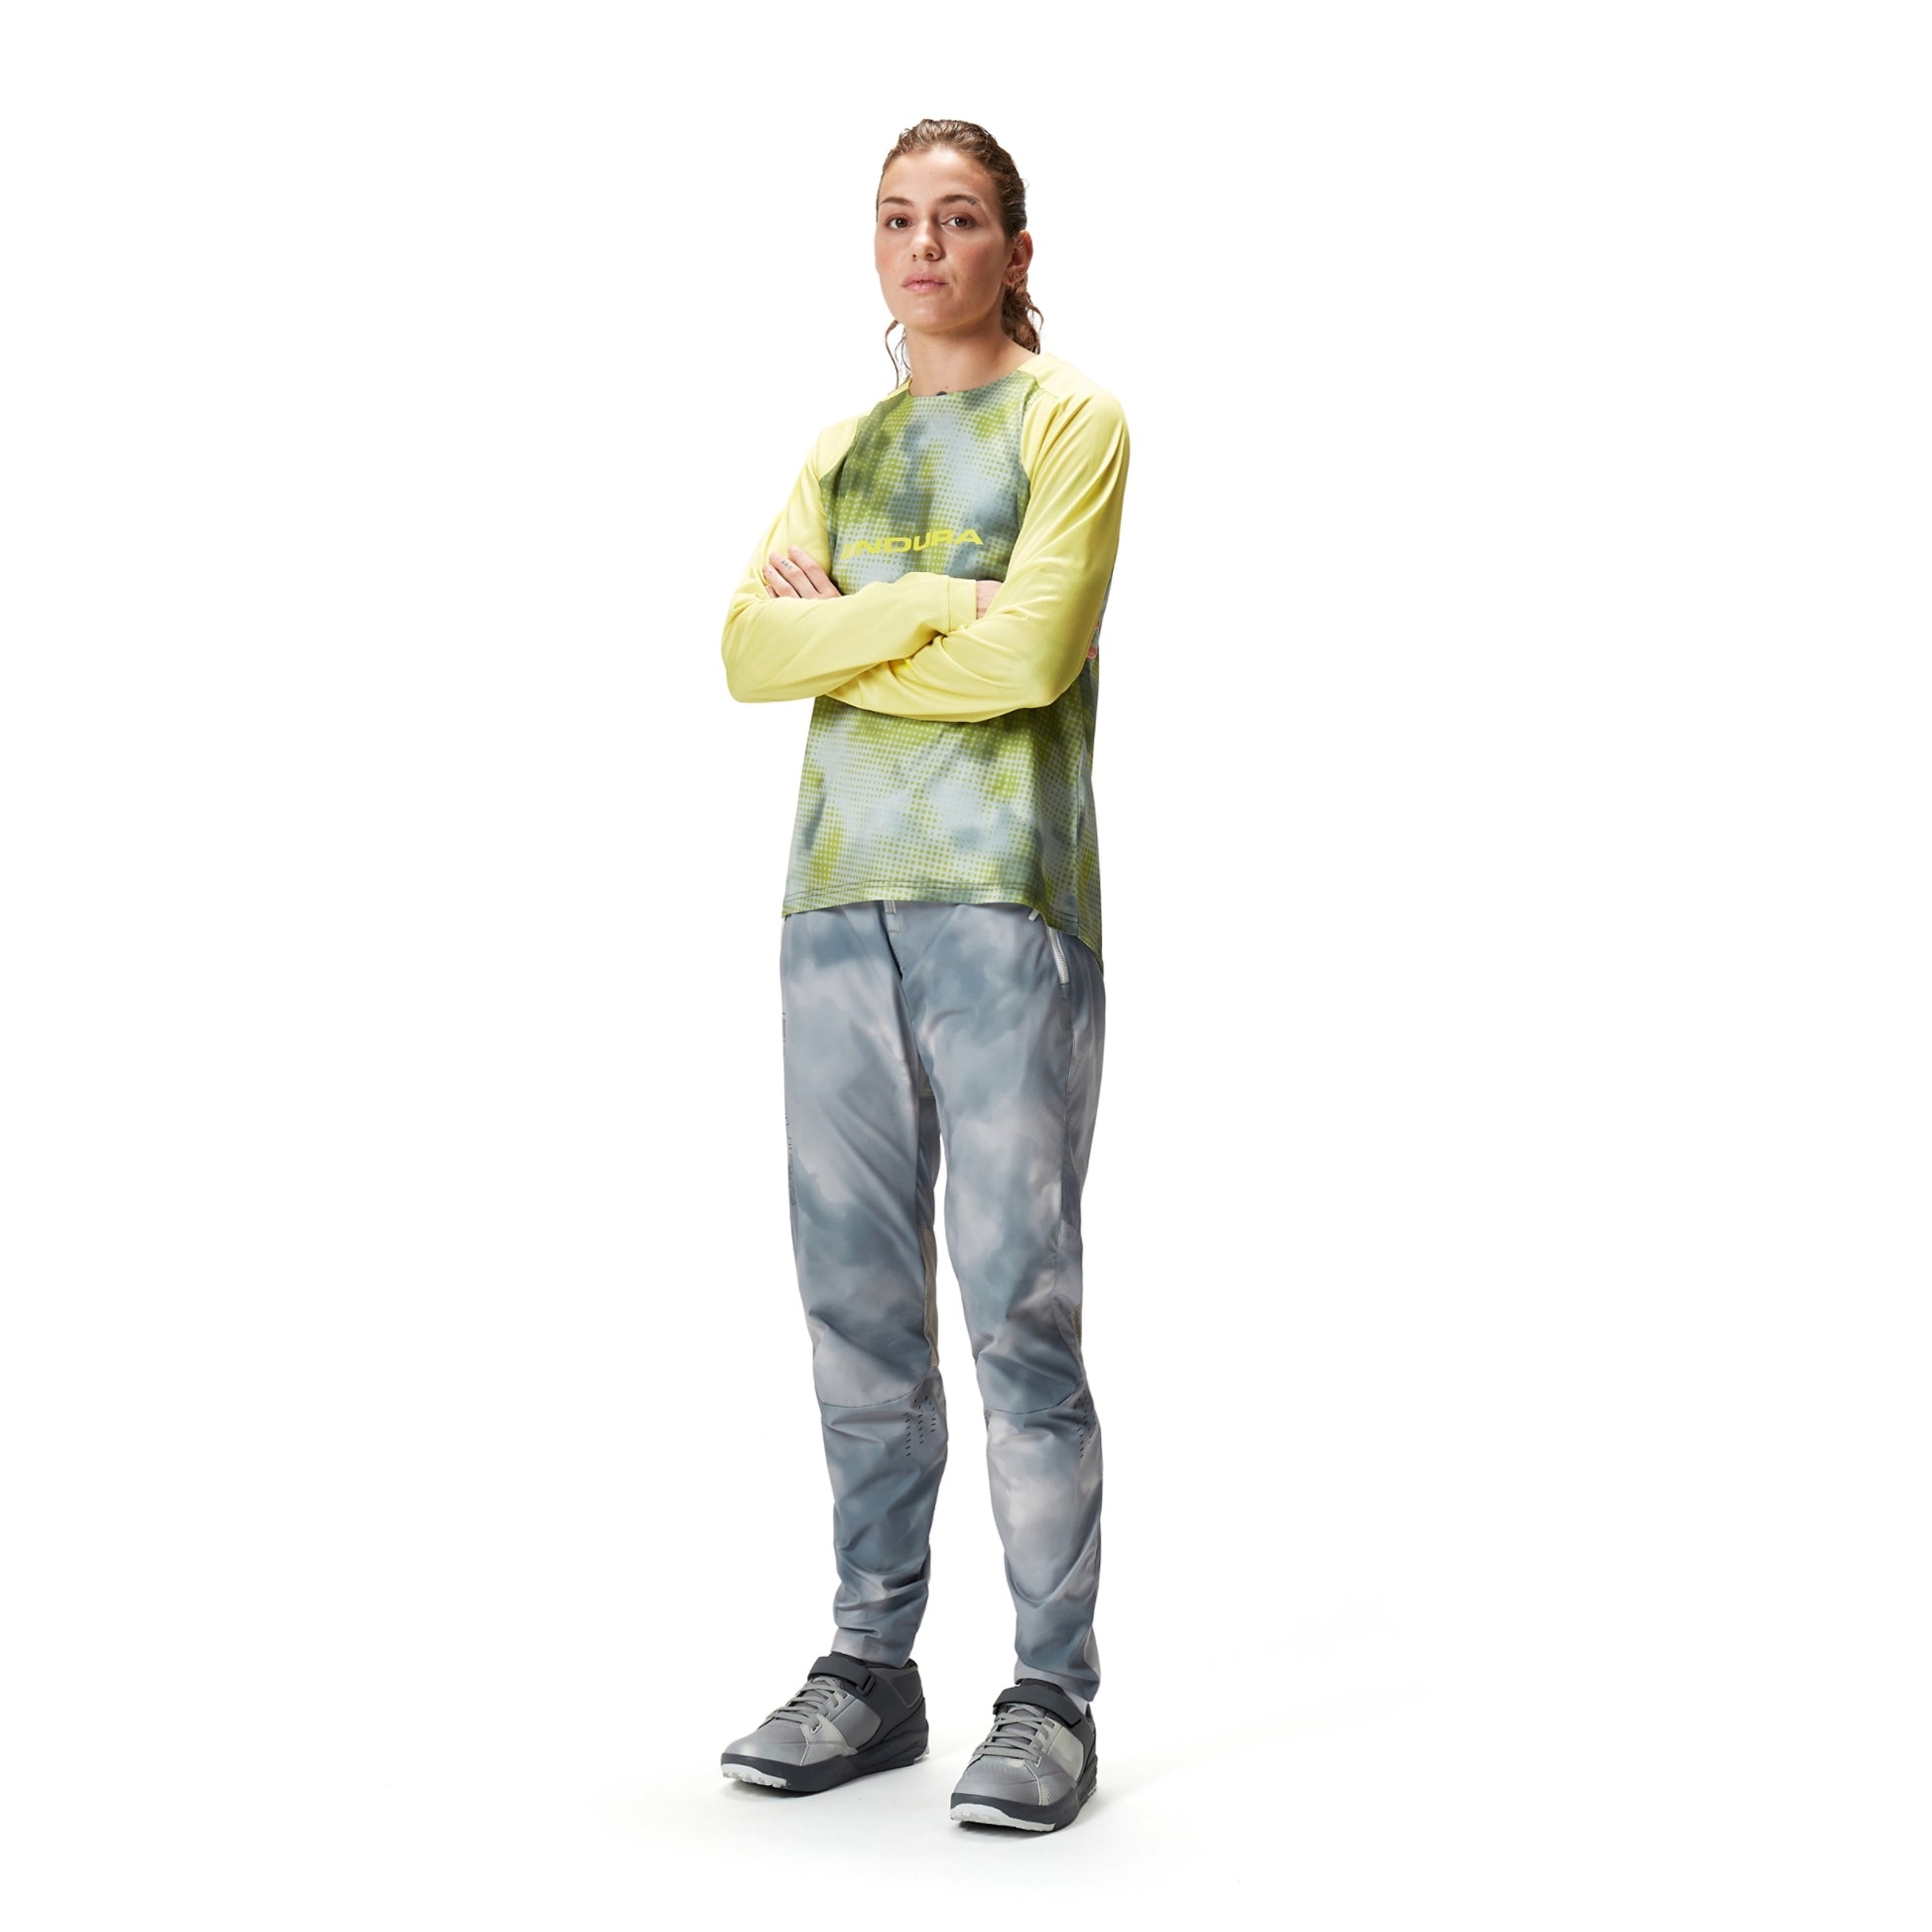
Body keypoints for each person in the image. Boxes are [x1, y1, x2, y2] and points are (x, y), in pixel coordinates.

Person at [715, 117, 1129, 1834]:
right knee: (854, 1306)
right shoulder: (841, 446)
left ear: (1014, 249)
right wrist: (931, 601)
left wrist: (854, 620)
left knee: (1017, 1302)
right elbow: (748, 651)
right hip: (834, 904)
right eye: (898, 218)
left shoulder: (1068, 423)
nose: (925, 246)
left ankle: (1049, 1691)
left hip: (1001, 902)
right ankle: (871, 1668)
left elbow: (1032, 657)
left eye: (958, 218)